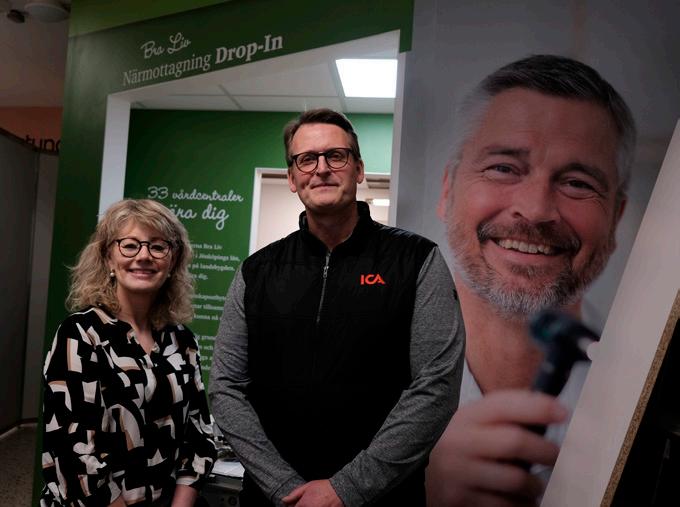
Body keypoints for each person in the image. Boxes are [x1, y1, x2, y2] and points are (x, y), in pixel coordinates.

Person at [209, 108, 465, 507]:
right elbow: (225, 387)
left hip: (382, 499)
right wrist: (283, 486)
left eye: (336, 156)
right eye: (306, 159)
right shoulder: (256, 272)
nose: (322, 169)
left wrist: (346, 490)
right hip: (275, 500)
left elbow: (437, 387)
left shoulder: (416, 260)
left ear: (358, 169)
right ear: (292, 178)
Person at [425, 54, 636, 506]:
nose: (536, 210)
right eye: (504, 167)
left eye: (577, 183)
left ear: (615, 219)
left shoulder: (650, 396)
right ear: (447, 190)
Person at [40, 199, 216, 506]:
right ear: (108, 257)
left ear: (173, 261)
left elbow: (199, 436)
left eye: (158, 246)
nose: (144, 256)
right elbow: (73, 454)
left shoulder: (182, 340)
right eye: (130, 245)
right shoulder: (80, 334)